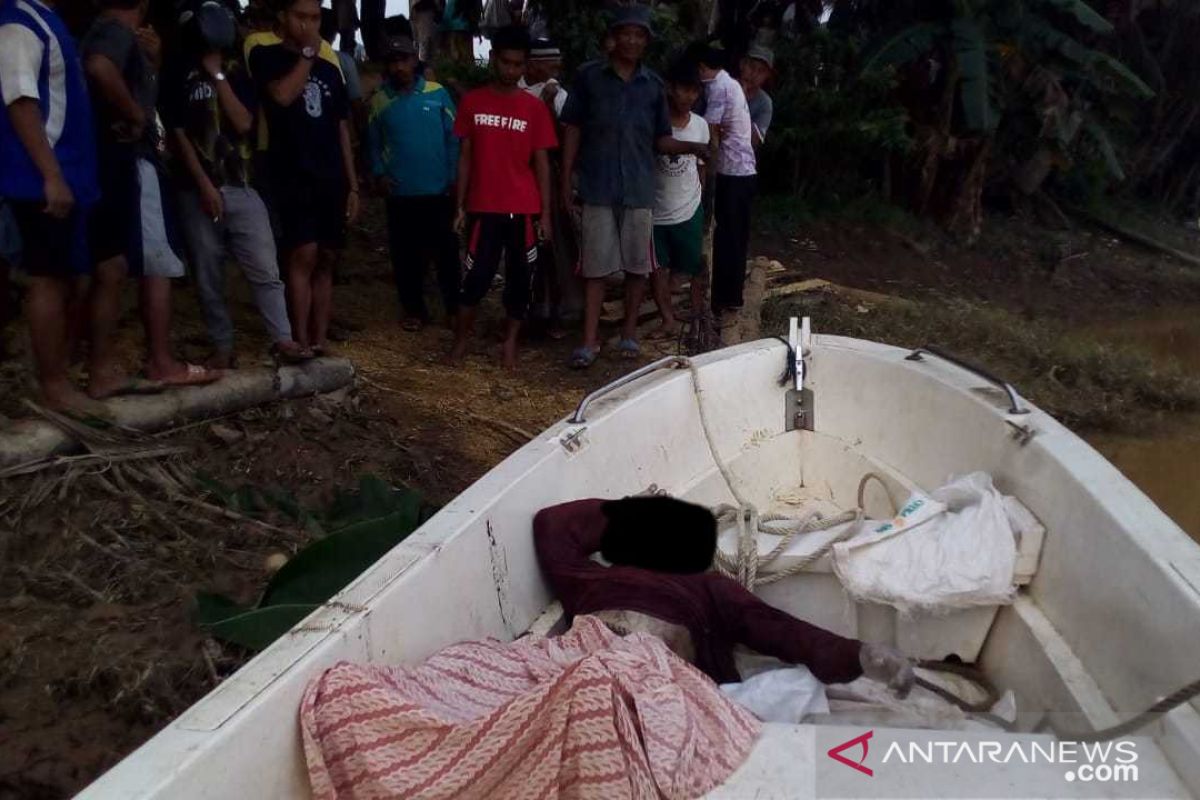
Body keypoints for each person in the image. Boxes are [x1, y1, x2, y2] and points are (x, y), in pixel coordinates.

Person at [534, 496, 916, 694]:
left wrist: (857, 655)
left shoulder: (711, 590)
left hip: (660, 681)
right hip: (585, 661)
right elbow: (552, 523)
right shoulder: (590, 578)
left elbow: (776, 630)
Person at [559, 5, 709, 369]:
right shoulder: (589, 77)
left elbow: (661, 140)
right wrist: (566, 178)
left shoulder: (654, 86)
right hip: (597, 185)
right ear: (613, 37)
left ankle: (628, 334)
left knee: (637, 268)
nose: (631, 40)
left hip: (641, 189)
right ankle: (590, 341)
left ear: (646, 42)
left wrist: (694, 147)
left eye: (639, 35)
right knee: (595, 268)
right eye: (626, 33)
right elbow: (573, 128)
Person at [83, 0, 220, 391]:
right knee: (152, 265)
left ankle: (103, 369)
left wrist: (152, 65)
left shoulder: (115, 34)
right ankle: (156, 361)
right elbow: (100, 66)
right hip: (134, 163)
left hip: (120, 164)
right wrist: (135, 115)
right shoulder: (115, 30)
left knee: (112, 267)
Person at [163, 12, 308, 368]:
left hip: (242, 183)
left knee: (265, 268)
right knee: (208, 272)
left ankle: (284, 340)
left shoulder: (237, 72)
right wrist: (203, 185)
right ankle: (223, 347)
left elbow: (243, 121)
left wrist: (217, 75)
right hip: (194, 188)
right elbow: (178, 134)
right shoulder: (177, 74)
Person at [0, 0, 112, 412]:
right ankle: (54, 385)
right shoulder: (18, 23)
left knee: (65, 277)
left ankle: (54, 377)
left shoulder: (45, 19)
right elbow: (21, 100)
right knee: (47, 278)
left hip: (63, 175)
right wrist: (50, 175)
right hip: (36, 178)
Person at [247, 0, 360, 355]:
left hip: (331, 175)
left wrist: (353, 183)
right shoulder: (266, 55)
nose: (308, 25)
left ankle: (320, 338)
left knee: (327, 256)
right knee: (303, 253)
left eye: (314, 18)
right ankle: (298, 335)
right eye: (301, 17)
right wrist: (308, 56)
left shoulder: (331, 68)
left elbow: (342, 127)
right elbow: (281, 96)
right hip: (292, 171)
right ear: (283, 15)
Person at [449, 24, 556, 370]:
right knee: (475, 278)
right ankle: (461, 341)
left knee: (521, 281)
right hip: (483, 207)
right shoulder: (472, 102)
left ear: (525, 65)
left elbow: (542, 164)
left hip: (523, 208)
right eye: (506, 62)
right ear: (493, 59)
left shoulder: (534, 108)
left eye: (518, 64)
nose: (511, 70)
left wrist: (545, 214)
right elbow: (465, 157)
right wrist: (460, 205)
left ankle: (510, 343)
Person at [367, 34, 460, 331]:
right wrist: (379, 174)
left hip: (439, 191)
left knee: (446, 254)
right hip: (401, 193)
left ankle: (454, 310)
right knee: (406, 255)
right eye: (393, 61)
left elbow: (454, 138)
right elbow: (371, 144)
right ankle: (414, 311)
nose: (399, 67)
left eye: (404, 60)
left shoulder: (438, 93)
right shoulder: (380, 101)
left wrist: (454, 177)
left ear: (414, 60)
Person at [520, 38, 578, 338]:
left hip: (547, 180)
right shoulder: (516, 91)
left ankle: (554, 310)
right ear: (533, 65)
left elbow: (563, 137)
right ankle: (525, 310)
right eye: (550, 66)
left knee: (552, 245)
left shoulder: (558, 93)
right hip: (516, 177)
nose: (555, 71)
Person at [649, 58, 710, 341]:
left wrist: (703, 204)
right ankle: (667, 319)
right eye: (683, 90)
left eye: (694, 92)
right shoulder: (654, 123)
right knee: (657, 269)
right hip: (655, 209)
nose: (688, 97)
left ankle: (696, 315)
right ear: (669, 89)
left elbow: (702, 168)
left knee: (690, 266)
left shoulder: (700, 125)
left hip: (688, 207)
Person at [696, 43, 757, 321]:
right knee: (735, 235)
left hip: (731, 171)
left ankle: (724, 298)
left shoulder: (718, 87)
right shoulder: (729, 83)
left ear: (701, 67)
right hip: (743, 170)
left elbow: (712, 132)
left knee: (726, 235)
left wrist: (707, 169)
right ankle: (730, 296)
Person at [739, 44, 773, 149]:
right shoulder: (723, 87)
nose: (754, 74)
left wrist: (741, 101)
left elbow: (755, 141)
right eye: (751, 67)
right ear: (742, 65)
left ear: (767, 76)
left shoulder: (764, 102)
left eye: (761, 71)